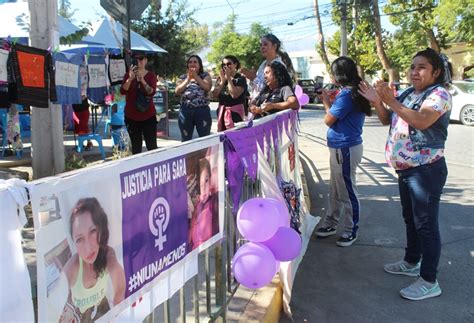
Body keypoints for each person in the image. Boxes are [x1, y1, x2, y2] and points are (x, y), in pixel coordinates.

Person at [358, 48, 452, 300]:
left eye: (421, 67)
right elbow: (386, 119)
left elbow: (421, 121)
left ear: (436, 72)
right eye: (412, 66)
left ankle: (430, 280)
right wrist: (379, 102)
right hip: (406, 170)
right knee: (411, 219)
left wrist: (391, 101)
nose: (414, 72)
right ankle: (412, 262)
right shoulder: (410, 93)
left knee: (426, 225)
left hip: (426, 171)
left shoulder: (439, 94)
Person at [314, 56, 371, 247]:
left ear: (339, 74)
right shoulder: (350, 92)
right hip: (341, 148)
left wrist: (325, 101)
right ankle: (331, 222)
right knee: (336, 189)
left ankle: (350, 229)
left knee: (347, 191)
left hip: (345, 148)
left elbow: (328, 119)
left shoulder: (348, 95)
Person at [60, 198, 125, 322]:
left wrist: (118, 310)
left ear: (101, 229)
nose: (88, 247)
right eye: (79, 239)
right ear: (74, 242)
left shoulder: (107, 254)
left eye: (92, 231)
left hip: (100, 311)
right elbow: (53, 301)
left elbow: (119, 283)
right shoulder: (73, 267)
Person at [120, 52, 158, 154]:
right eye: (135, 59)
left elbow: (151, 92)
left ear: (146, 60)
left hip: (148, 116)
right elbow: (123, 91)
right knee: (136, 148)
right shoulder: (128, 75)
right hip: (131, 117)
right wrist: (130, 78)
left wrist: (142, 80)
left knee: (152, 147)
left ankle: (153, 168)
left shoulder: (151, 76)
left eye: (141, 58)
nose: (138, 61)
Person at [240, 33, 296, 100]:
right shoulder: (263, 64)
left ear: (274, 46)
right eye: (261, 45)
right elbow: (258, 87)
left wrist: (253, 77)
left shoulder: (278, 65)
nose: (262, 47)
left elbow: (271, 89)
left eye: (265, 44)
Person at [175, 55, 212, 141]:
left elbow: (207, 87)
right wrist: (188, 79)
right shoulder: (183, 77)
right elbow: (177, 91)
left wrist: (196, 77)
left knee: (204, 139)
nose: (192, 64)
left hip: (202, 111)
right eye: (190, 62)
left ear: (200, 65)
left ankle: (205, 154)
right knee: (186, 139)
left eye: (195, 62)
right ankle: (187, 154)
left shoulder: (205, 75)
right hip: (186, 111)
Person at [188, 157, 219, 251]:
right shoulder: (196, 205)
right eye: (200, 184)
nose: (203, 189)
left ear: (210, 178)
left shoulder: (214, 203)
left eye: (206, 181)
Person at [211, 55, 247, 131]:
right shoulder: (220, 78)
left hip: (235, 113)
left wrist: (229, 79)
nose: (226, 66)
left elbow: (234, 95)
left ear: (235, 65)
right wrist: (222, 81)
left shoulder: (240, 79)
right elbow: (214, 96)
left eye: (229, 64)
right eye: (223, 65)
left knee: (235, 137)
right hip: (222, 112)